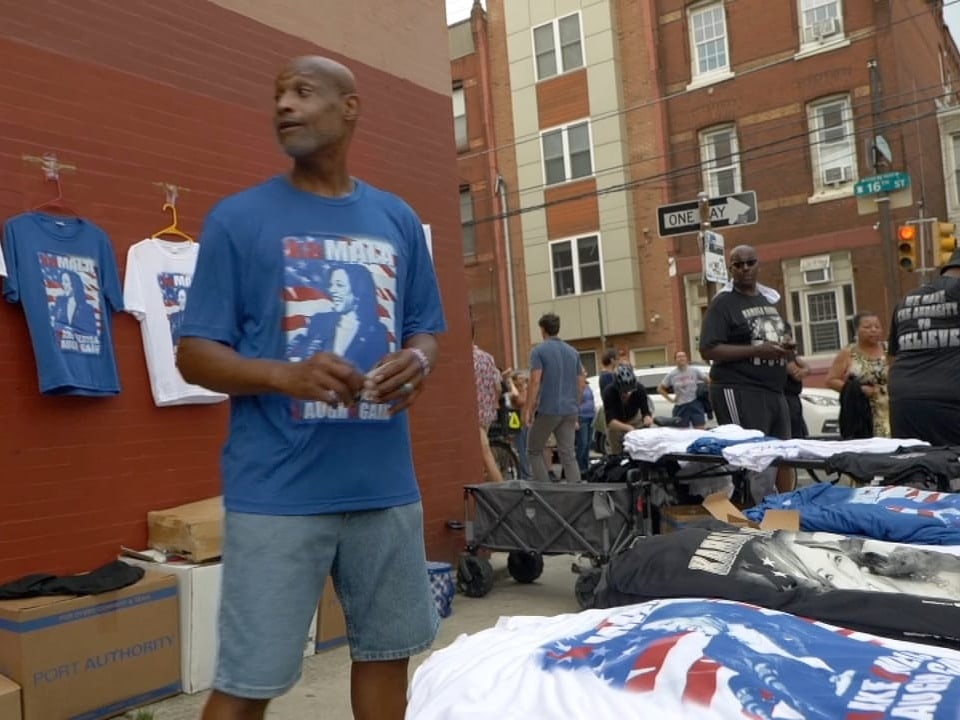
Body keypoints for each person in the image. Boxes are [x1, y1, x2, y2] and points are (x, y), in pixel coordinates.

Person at [176, 56, 445, 720]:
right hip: (277, 491)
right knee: (249, 680)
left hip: (383, 486)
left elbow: (424, 328)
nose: (284, 106)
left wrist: (418, 361)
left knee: (387, 656)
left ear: (349, 107)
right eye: (277, 96)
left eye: (302, 92)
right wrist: (283, 374)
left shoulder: (397, 219)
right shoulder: (240, 220)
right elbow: (193, 353)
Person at [698, 245, 794, 499]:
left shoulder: (768, 299)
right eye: (737, 265)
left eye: (750, 263)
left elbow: (773, 335)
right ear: (730, 269)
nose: (745, 269)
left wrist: (788, 351)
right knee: (752, 458)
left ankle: (783, 513)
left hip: (774, 390)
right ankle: (750, 518)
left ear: (758, 264)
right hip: (739, 388)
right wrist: (756, 351)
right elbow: (708, 349)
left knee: (781, 454)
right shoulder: (723, 303)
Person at [888, 248, 960, 445]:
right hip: (950, 401)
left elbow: (894, 354)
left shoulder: (906, 300)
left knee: (916, 467)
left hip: (903, 400)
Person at [287, 262, 389, 371]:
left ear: (358, 291)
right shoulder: (319, 321)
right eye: (331, 285)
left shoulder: (377, 332)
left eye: (339, 285)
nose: (332, 290)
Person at [524, 312, 585, 484]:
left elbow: (535, 380)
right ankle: (577, 495)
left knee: (534, 450)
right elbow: (581, 382)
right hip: (570, 409)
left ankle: (545, 491)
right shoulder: (573, 352)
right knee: (568, 454)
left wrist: (529, 410)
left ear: (543, 330)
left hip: (549, 408)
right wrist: (576, 404)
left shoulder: (539, 351)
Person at [602, 363, 653, 455]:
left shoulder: (639, 388)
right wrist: (628, 428)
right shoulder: (609, 392)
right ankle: (617, 458)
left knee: (641, 446)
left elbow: (645, 411)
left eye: (630, 390)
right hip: (616, 422)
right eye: (624, 392)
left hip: (634, 418)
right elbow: (610, 421)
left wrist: (647, 418)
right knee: (615, 445)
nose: (628, 394)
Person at [473, 343, 503, 483]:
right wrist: (493, 404)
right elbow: (498, 386)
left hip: (473, 415)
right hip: (487, 414)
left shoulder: (467, 358)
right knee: (480, 456)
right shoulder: (488, 358)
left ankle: (504, 495)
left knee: (486, 456)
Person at [657, 350, 709, 429]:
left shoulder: (695, 370)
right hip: (681, 406)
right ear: (675, 360)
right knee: (682, 432)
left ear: (686, 358)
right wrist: (670, 399)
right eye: (679, 357)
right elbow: (660, 389)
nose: (681, 358)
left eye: (683, 356)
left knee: (700, 430)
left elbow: (708, 381)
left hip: (695, 403)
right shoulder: (672, 374)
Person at [782, 325, 809, 439]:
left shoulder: (791, 354)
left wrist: (806, 370)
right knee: (793, 433)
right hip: (786, 398)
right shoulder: (784, 355)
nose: (791, 343)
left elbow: (806, 367)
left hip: (794, 397)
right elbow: (795, 373)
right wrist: (803, 371)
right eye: (787, 340)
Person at [53, 269, 97, 335]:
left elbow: (92, 333)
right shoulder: (59, 303)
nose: (63, 284)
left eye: (66, 281)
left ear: (75, 284)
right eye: (62, 281)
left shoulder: (87, 308)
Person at [575, 383, 595, 472]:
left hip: (590, 416)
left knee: (588, 444)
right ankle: (579, 467)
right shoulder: (575, 386)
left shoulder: (588, 385)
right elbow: (574, 403)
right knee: (582, 443)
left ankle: (586, 466)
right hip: (581, 417)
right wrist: (575, 420)